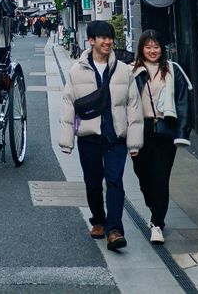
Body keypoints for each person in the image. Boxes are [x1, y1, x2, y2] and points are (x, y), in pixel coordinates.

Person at [59, 20, 143, 251]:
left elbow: (133, 106)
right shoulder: (77, 70)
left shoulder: (124, 70)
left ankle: (114, 230)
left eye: (110, 38)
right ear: (91, 41)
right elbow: (69, 104)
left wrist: (134, 142)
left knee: (115, 181)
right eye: (103, 38)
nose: (108, 42)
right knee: (93, 182)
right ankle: (98, 219)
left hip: (116, 136)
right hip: (89, 136)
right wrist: (67, 140)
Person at [131, 30, 192, 245]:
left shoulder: (173, 71)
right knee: (142, 176)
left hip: (166, 130)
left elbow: (184, 102)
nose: (152, 50)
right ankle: (152, 206)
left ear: (162, 49)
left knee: (161, 178)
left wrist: (182, 132)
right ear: (141, 49)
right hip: (141, 129)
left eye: (156, 46)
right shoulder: (132, 71)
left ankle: (157, 223)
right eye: (148, 47)